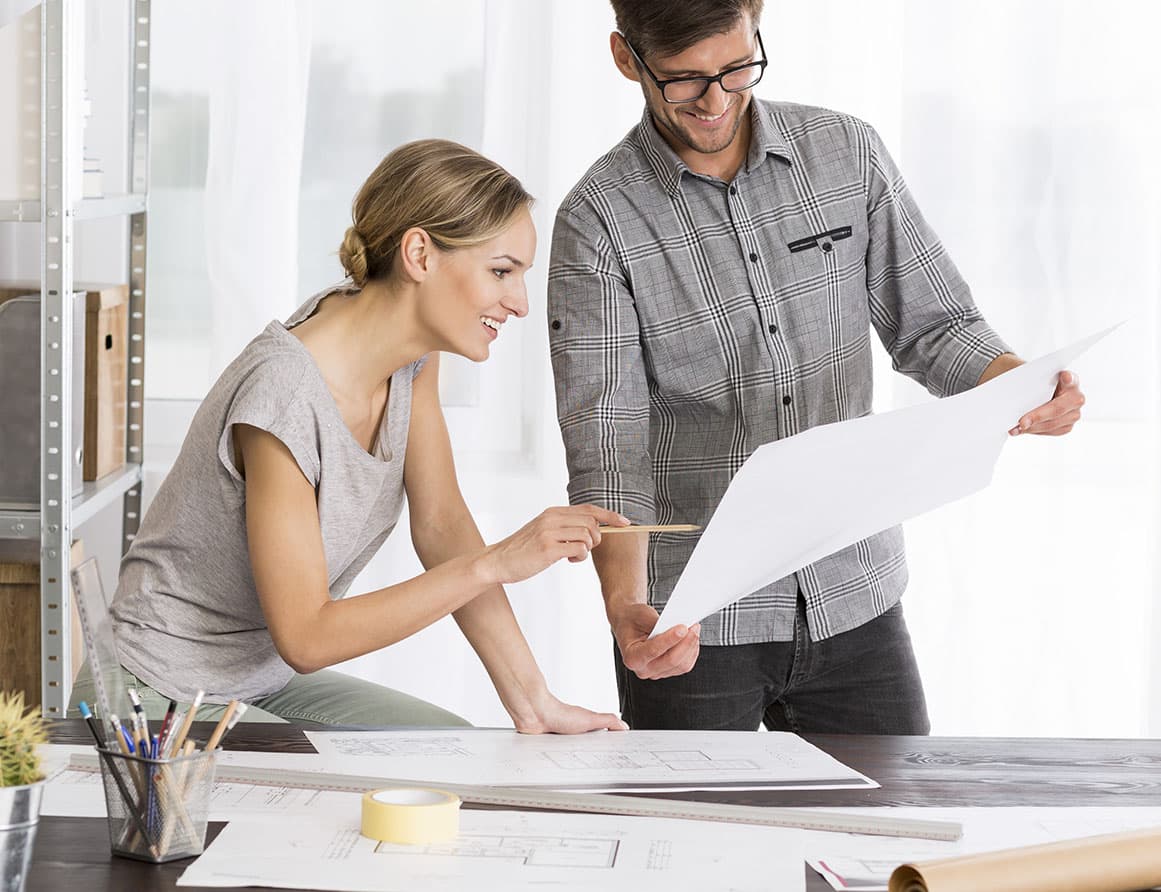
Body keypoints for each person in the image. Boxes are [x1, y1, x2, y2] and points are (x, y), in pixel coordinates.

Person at [547, 0, 1085, 734]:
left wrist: (1019, 388)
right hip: (696, 621)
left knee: (889, 831)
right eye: (683, 80)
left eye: (737, 67)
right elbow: (610, 444)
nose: (716, 101)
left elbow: (934, 325)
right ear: (624, 58)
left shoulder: (845, 152)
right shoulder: (598, 218)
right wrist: (624, 606)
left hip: (853, 589)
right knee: (700, 846)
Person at [71, 139, 630, 730]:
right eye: (501, 271)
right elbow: (307, 637)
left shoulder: (409, 355)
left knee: (454, 749)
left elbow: (441, 525)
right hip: (154, 690)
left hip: (259, 682)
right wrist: (497, 563)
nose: (518, 303)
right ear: (420, 254)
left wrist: (533, 703)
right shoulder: (285, 396)